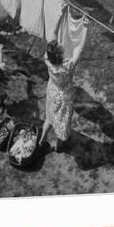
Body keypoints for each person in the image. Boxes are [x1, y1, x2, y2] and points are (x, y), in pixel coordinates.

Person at [39, 16, 89, 151]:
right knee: (62, 123)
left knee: (50, 116)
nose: (62, 45)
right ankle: (58, 147)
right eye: (61, 48)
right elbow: (80, 49)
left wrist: (60, 15)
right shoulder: (67, 67)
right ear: (61, 56)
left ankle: (41, 139)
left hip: (52, 91)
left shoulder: (47, 59)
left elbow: (52, 34)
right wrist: (85, 28)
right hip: (64, 98)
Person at [0, 44, 30, 118]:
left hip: (4, 71)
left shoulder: (0, 69)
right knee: (3, 95)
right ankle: (2, 104)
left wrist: (0, 50)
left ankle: (19, 70)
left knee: (11, 72)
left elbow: (0, 60)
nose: (0, 80)